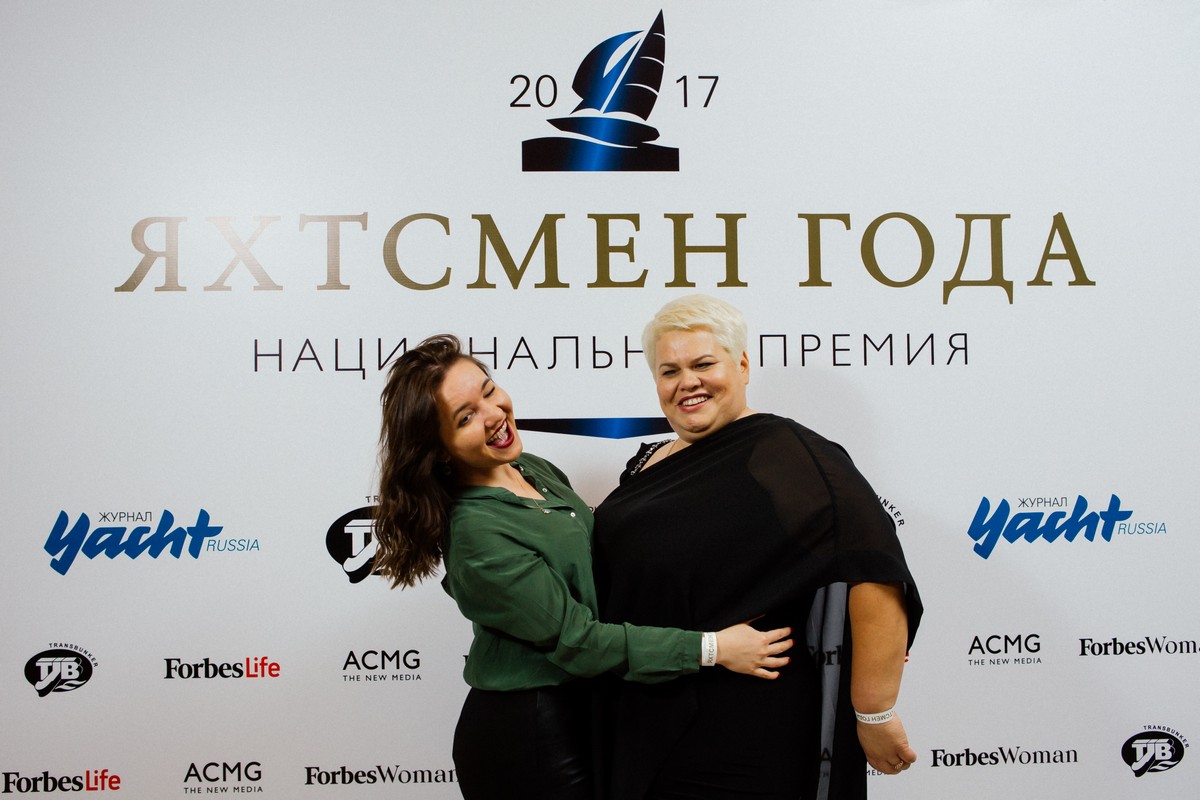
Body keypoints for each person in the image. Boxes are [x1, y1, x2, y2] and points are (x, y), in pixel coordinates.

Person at [373, 334, 794, 800]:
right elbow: (580, 642)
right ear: (439, 448)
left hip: (589, 709)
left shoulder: (530, 468)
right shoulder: (478, 535)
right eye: (466, 417)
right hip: (530, 735)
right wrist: (713, 648)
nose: (494, 415)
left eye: (489, 391)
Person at [592, 295, 922, 800]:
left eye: (704, 364)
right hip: (643, 707)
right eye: (669, 371)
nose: (687, 382)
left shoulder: (784, 454)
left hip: (737, 725)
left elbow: (873, 565)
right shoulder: (649, 460)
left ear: (742, 364)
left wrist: (874, 712)